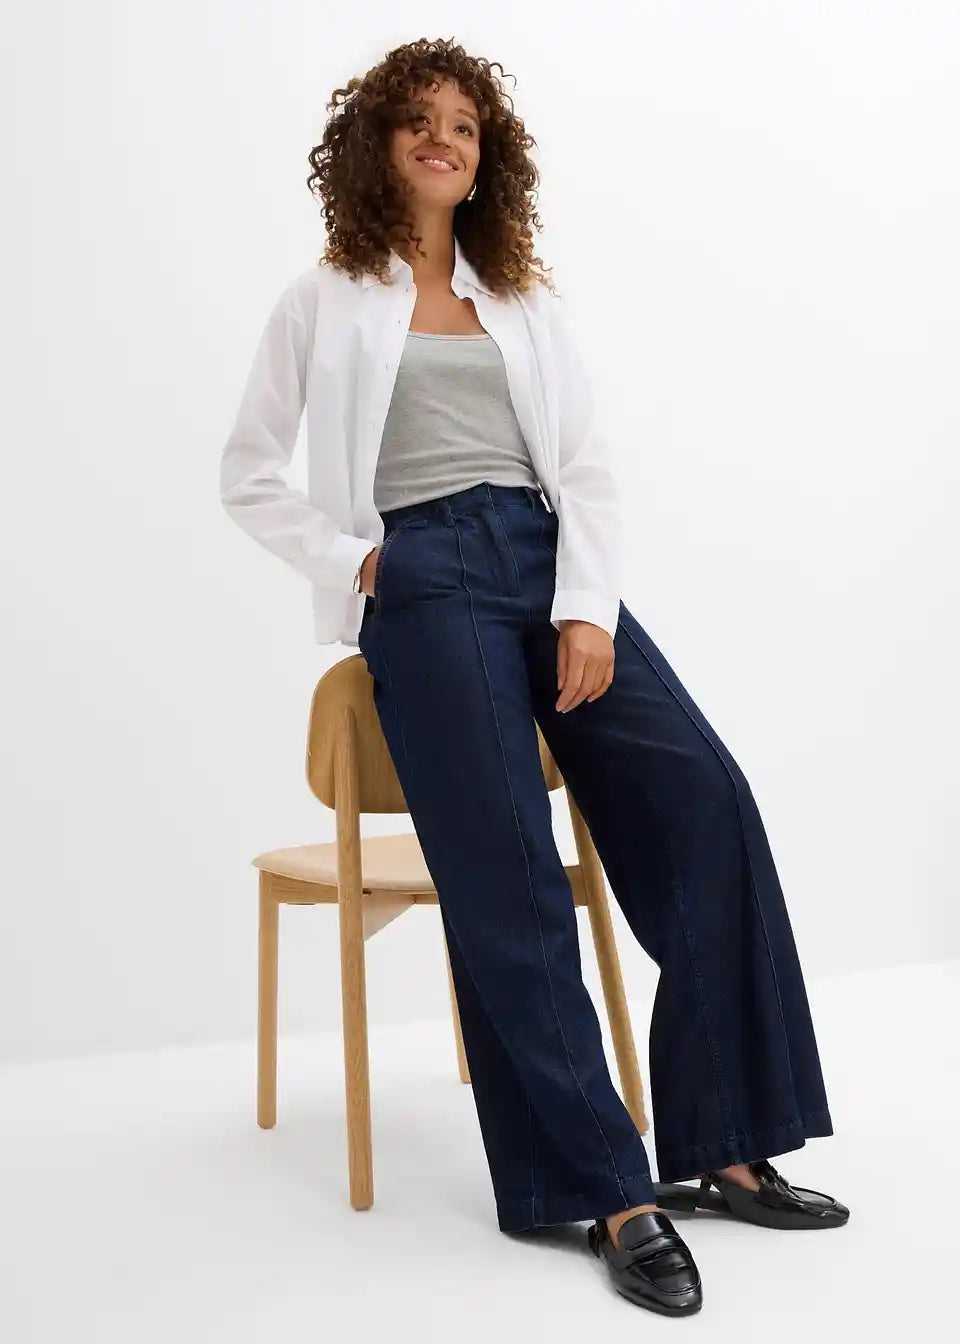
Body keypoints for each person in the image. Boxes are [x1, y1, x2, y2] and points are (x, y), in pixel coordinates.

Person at [219, 37, 849, 1318]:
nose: (443, 139)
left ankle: (727, 1145)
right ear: (376, 144)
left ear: (484, 156)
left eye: (464, 125)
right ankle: (606, 1189)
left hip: (546, 556)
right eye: (419, 121)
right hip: (425, 572)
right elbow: (247, 473)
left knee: (708, 801)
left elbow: (591, 466)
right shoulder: (322, 298)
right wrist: (359, 564)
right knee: (508, 869)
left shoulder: (520, 297)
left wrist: (585, 607)